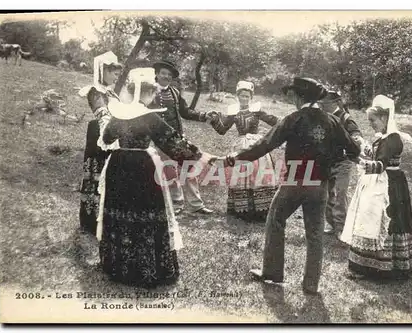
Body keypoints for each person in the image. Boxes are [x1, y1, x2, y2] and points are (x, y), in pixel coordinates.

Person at [214, 77, 361, 294]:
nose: (290, 98)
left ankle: (272, 273)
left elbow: (264, 145)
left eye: (292, 94)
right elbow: (353, 150)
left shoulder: (293, 118)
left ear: (300, 96)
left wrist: (235, 157)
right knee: (315, 232)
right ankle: (311, 284)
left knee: (275, 219)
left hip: (295, 181)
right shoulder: (332, 121)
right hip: (320, 185)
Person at [96, 68, 213, 287]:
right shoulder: (150, 117)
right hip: (142, 166)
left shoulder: (119, 114)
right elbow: (173, 142)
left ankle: (118, 263)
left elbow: (107, 137)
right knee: (145, 211)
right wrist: (202, 157)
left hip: (118, 164)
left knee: (121, 210)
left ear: (130, 91)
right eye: (153, 93)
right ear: (148, 93)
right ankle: (146, 266)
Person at [339, 95, 412, 281]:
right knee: (370, 220)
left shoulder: (392, 139)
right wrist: (360, 145)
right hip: (382, 182)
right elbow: (375, 153)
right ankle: (370, 265)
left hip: (388, 185)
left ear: (384, 118)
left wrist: (357, 160)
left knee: (380, 220)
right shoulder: (385, 137)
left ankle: (381, 267)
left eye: (373, 120)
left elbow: (380, 164)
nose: (371, 124)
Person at [206, 80, 282, 222]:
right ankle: (243, 210)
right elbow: (222, 130)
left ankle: (262, 209)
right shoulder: (233, 112)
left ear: (251, 97)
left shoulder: (257, 110)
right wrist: (214, 120)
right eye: (242, 96)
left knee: (258, 174)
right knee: (242, 175)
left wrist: (286, 125)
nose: (244, 99)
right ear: (237, 96)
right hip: (240, 145)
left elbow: (274, 121)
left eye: (247, 96)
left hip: (255, 144)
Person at [147, 60, 214, 215]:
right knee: (170, 171)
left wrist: (203, 116)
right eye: (163, 73)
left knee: (189, 168)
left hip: (178, 138)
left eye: (169, 75)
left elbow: (185, 112)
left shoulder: (175, 92)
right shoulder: (148, 91)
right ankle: (177, 204)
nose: (166, 77)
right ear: (156, 74)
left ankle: (196, 205)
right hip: (160, 140)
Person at [78, 51, 123, 235]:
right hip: (99, 136)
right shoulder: (95, 91)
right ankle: (91, 220)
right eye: (112, 71)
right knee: (96, 175)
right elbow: (103, 115)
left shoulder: (110, 91)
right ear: (101, 71)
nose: (116, 75)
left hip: (111, 133)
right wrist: (113, 138)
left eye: (117, 72)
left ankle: (106, 217)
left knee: (109, 175)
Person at [320, 89, 367, 235]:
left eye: (324, 103)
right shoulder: (323, 117)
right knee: (327, 194)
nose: (322, 106)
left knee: (340, 193)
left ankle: (341, 228)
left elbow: (356, 134)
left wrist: (357, 138)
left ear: (334, 103)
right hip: (327, 161)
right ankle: (332, 224)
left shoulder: (346, 118)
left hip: (343, 162)